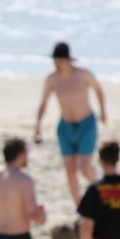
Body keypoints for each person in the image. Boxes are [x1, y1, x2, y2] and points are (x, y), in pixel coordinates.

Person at [35, 42, 107, 205]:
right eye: (54, 59)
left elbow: (98, 90)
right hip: (65, 127)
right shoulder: (52, 79)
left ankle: (103, 190)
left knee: (84, 167)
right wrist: (37, 127)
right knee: (70, 171)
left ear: (67, 59)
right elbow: (43, 103)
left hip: (86, 124)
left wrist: (103, 111)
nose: (56, 63)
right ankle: (79, 208)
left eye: (58, 59)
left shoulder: (83, 74)